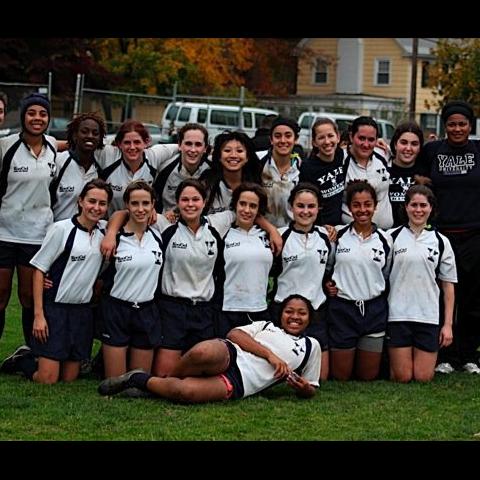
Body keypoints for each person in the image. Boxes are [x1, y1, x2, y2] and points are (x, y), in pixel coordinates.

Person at [97, 294, 321, 402]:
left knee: (185, 392)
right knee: (202, 352)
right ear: (281, 314)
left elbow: (311, 387)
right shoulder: (266, 325)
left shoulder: (311, 346)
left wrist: (303, 389)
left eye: (301, 313)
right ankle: (160, 381)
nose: (294, 317)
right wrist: (270, 356)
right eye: (289, 311)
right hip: (231, 353)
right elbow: (234, 334)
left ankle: (138, 380)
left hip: (242, 381)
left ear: (310, 318)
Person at [0, 180, 113, 382]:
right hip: (55, 309)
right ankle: (23, 360)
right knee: (48, 379)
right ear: (80, 201)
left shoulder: (105, 232)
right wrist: (39, 316)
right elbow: (38, 269)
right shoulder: (61, 229)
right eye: (91, 201)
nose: (96, 208)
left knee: (70, 377)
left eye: (102, 204)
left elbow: (123, 216)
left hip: (81, 311)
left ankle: (44, 356)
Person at [416, 100, 480, 374]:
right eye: (452, 124)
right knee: (442, 297)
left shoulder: (478, 150)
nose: (457, 129)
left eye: (462, 124)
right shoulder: (432, 150)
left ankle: (468, 355)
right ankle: (443, 354)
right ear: (445, 126)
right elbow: (418, 177)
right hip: (442, 235)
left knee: (472, 298)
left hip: (474, 234)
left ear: (470, 126)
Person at [0, 93, 57, 346]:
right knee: (0, 295)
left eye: (42, 114)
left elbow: (73, 143)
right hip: (4, 231)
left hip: (36, 234)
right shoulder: (6, 145)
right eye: (32, 113)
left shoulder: (53, 145)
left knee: (28, 296)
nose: (37, 118)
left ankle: (31, 352)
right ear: (23, 116)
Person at [387, 185, 457, 382]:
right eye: (414, 205)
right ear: (406, 207)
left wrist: (448, 325)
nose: (418, 210)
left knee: (423, 378)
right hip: (398, 315)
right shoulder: (391, 237)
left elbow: (448, 285)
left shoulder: (441, 242)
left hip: (428, 316)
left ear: (431, 208)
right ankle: (394, 364)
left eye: (423, 205)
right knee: (403, 377)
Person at [99, 181, 167, 378]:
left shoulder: (159, 233)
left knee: (139, 381)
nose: (140, 209)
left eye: (146, 203)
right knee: (115, 382)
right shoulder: (112, 236)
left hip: (146, 312)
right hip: (116, 310)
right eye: (135, 203)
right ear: (126, 205)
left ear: (153, 204)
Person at [326, 180, 393, 381]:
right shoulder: (337, 235)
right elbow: (327, 267)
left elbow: (387, 273)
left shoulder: (385, 239)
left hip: (373, 310)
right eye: (356, 205)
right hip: (342, 310)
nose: (362, 210)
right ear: (349, 207)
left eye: (367, 204)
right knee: (341, 376)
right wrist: (327, 284)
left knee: (367, 376)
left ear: (375, 206)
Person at [269, 182, 333, 381]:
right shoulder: (279, 236)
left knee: (320, 377)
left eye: (311, 206)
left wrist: (330, 284)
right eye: (300, 206)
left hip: (316, 309)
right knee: (282, 375)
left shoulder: (327, 235)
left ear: (318, 209)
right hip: (285, 311)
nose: (305, 211)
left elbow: (329, 269)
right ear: (291, 207)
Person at [218, 182, 273, 336]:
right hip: (229, 311)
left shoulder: (269, 236)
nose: (247, 210)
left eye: (253, 206)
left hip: (260, 310)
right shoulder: (223, 234)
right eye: (242, 204)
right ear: (235, 204)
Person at [95, 119, 178, 215]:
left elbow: (182, 146)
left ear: (146, 142)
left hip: (141, 223)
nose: (132, 147)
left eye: (137, 142)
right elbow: (84, 145)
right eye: (127, 142)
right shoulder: (109, 155)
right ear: (119, 144)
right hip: (109, 223)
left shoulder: (153, 156)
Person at [51, 112, 106, 221]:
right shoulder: (59, 161)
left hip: (87, 235)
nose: (90, 136)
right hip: (58, 232)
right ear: (75, 135)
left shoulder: (100, 168)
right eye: (84, 132)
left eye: (95, 133)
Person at [341, 116, 393, 230]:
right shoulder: (340, 160)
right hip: (351, 236)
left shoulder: (384, 154)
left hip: (384, 235)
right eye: (361, 138)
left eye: (371, 139)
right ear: (351, 136)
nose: (366, 144)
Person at [152, 123, 211, 213]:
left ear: (205, 148)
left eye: (198, 144)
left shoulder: (212, 171)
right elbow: (155, 202)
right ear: (179, 145)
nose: (193, 150)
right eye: (188, 143)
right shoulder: (164, 169)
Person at [201, 130, 262, 214]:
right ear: (219, 156)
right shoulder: (207, 184)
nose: (233, 155)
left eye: (239, 151)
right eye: (227, 151)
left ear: (247, 157)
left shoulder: (255, 183)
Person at [299, 117, 345, 226]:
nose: (327, 141)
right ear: (314, 142)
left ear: (338, 137)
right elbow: (308, 202)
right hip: (320, 227)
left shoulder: (341, 155)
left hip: (341, 225)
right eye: (321, 138)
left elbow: (362, 147)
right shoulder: (308, 167)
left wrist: (379, 142)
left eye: (330, 136)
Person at [259, 116, 301, 227]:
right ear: (271, 140)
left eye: (288, 136)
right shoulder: (258, 162)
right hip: (261, 230)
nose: (283, 141)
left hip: (292, 233)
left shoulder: (302, 167)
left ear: (296, 139)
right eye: (278, 136)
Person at [388, 122, 424, 227]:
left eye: (414, 144)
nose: (408, 148)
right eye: (403, 142)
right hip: (387, 233)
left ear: (420, 147)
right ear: (395, 144)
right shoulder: (382, 168)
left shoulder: (426, 172)